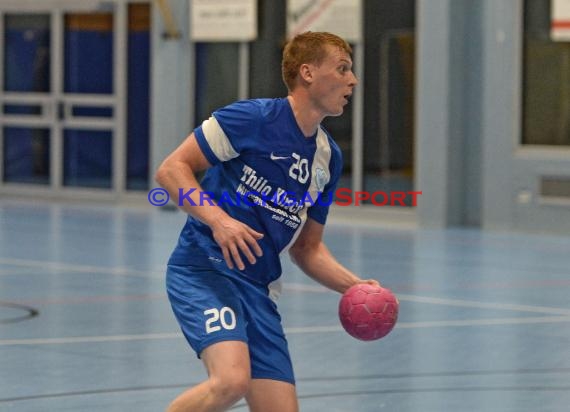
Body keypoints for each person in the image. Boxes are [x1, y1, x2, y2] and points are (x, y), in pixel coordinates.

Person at [155, 31, 380, 412]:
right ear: (307, 73)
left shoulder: (328, 158)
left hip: (258, 287)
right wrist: (219, 221)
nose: (352, 80)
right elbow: (171, 169)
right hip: (205, 270)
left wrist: (355, 286)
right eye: (342, 69)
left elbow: (307, 249)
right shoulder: (251, 118)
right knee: (230, 381)